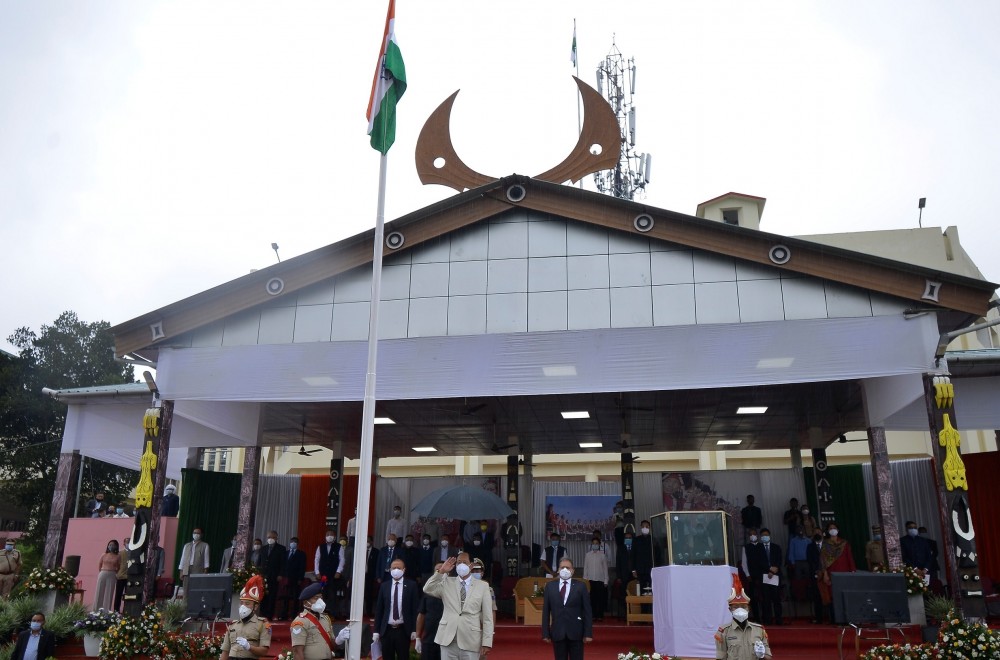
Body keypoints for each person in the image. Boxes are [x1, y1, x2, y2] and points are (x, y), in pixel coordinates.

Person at [422, 553, 494, 660]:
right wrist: (441, 571)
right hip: (448, 638)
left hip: (470, 639)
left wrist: (487, 642)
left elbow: (488, 617)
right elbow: (427, 589)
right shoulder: (447, 582)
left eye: (465, 562)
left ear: (471, 565)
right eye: (459, 562)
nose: (461, 565)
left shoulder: (483, 586)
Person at [541, 558, 593, 660]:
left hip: (576, 633)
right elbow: (546, 612)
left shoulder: (581, 586)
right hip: (558, 632)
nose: (565, 570)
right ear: (558, 570)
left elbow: (587, 611)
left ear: (572, 571)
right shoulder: (550, 587)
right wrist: (545, 633)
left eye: (567, 568)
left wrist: (588, 633)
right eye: (562, 567)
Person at [715, 574, 772, 660]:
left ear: (748, 608)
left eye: (743, 606)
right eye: (736, 607)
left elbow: (769, 657)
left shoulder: (759, 630)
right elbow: (720, 658)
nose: (740, 609)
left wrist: (762, 655)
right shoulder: (723, 632)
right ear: (730, 609)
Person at [374, 558, 420, 660]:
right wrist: (376, 631)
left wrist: (414, 630)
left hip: (403, 630)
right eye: (393, 568)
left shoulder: (411, 585)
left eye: (398, 568)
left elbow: (415, 609)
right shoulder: (384, 586)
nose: (396, 570)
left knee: (403, 656)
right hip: (387, 630)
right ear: (390, 570)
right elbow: (379, 610)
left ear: (404, 570)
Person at [290, 581, 350, 660]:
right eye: (316, 598)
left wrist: (339, 639)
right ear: (306, 602)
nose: (320, 601)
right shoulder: (300, 622)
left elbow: (332, 646)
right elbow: (297, 651)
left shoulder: (325, 618)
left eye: (320, 597)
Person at [221, 575, 272, 659]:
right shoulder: (233, 625)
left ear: (255, 607)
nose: (243, 606)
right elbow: (225, 651)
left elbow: (264, 651)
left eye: (247, 603)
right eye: (241, 603)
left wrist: (249, 647)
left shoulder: (262, 624)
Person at [817, 522, 856, 622]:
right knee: (833, 597)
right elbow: (823, 560)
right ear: (828, 531)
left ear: (838, 530)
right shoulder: (825, 544)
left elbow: (850, 558)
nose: (833, 530)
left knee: (845, 596)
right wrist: (825, 574)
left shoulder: (844, 543)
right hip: (831, 574)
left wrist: (852, 572)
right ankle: (836, 619)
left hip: (845, 573)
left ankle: (847, 619)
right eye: (830, 528)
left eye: (834, 528)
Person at [750, 528, 783, 626]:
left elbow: (779, 559)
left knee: (776, 599)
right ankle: (767, 620)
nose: (765, 537)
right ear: (761, 537)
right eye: (763, 535)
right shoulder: (758, 548)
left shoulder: (776, 547)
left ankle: (778, 619)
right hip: (764, 576)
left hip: (775, 576)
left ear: (769, 536)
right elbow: (758, 562)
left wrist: (775, 569)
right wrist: (769, 569)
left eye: (766, 535)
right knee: (766, 600)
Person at [416, 563, 445, 660]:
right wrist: (418, 637)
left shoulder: (453, 590)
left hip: (446, 641)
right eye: (437, 570)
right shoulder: (427, 592)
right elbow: (421, 614)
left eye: (443, 569)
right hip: (429, 639)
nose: (440, 572)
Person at [259, 530, 286, 619]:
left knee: (272, 596)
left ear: (276, 538)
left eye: (273, 537)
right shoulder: (263, 548)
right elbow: (260, 562)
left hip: (274, 576)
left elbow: (283, 563)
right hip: (263, 576)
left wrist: (280, 574)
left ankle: (269, 615)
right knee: (263, 596)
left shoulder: (281, 548)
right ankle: (262, 614)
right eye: (269, 537)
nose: (271, 539)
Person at [280, 536, 307, 621]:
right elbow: (282, 565)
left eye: (295, 542)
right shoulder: (285, 553)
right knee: (285, 598)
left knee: (295, 597)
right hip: (286, 579)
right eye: (292, 541)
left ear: (297, 544)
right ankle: (283, 615)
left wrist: (300, 579)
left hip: (296, 579)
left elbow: (302, 567)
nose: (293, 543)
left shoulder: (301, 554)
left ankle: (294, 615)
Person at [178, 527, 210, 598]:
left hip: (198, 571)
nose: (196, 534)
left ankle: (195, 607)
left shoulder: (205, 545)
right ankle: (185, 607)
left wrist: (205, 572)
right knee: (186, 591)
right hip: (187, 570)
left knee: (196, 590)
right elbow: (182, 559)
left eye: (198, 533)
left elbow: (206, 560)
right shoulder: (187, 545)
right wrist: (181, 571)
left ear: (201, 535)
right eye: (194, 533)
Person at [583, 535, 609, 621]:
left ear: (599, 545)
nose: (595, 545)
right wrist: (585, 580)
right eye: (593, 543)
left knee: (600, 599)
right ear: (591, 544)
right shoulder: (588, 555)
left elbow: (605, 568)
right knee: (592, 599)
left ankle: (600, 615)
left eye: (596, 543)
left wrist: (606, 580)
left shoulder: (602, 555)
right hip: (590, 580)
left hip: (600, 580)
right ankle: (593, 615)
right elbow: (585, 568)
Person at [314, 529, 344, 604]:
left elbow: (342, 560)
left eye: (331, 535)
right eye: (327, 535)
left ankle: (333, 613)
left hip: (334, 575)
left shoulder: (339, 547)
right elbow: (316, 560)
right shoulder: (320, 547)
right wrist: (317, 572)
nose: (329, 536)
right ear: (325, 537)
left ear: (334, 537)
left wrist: (338, 571)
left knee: (333, 594)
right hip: (323, 575)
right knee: (323, 592)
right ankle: (323, 612)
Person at [94, 539, 121, 611]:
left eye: (113, 545)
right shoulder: (104, 554)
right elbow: (99, 564)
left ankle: (106, 610)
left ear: (116, 546)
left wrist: (115, 572)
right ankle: (96, 609)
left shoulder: (118, 556)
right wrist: (101, 571)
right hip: (103, 572)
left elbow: (118, 566)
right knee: (99, 590)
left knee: (109, 592)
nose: (111, 546)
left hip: (112, 574)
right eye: (110, 544)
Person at [806, 533, 824, 623]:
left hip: (826, 573)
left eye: (818, 532)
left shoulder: (827, 545)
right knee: (817, 596)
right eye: (815, 532)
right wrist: (817, 571)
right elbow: (810, 560)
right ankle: (819, 617)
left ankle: (832, 617)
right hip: (816, 573)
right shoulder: (810, 546)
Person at [632, 521, 654, 589]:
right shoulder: (636, 540)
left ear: (649, 528)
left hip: (651, 569)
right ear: (641, 527)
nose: (645, 528)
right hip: (640, 570)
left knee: (652, 588)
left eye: (647, 527)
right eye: (643, 526)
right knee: (641, 589)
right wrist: (633, 570)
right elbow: (633, 555)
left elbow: (657, 555)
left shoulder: (653, 539)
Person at [364, 536, 380, 616]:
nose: (367, 542)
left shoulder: (376, 552)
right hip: (361, 576)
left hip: (371, 576)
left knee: (369, 594)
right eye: (366, 541)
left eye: (368, 541)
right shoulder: (361, 550)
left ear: (372, 542)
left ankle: (369, 612)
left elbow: (378, 564)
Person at [114, 537, 129, 612]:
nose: (128, 544)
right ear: (124, 543)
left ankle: (126, 610)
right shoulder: (120, 553)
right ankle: (116, 610)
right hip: (120, 576)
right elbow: (116, 564)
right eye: (127, 542)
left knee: (128, 596)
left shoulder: (133, 553)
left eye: (129, 542)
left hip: (129, 577)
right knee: (118, 595)